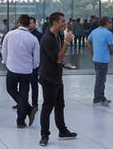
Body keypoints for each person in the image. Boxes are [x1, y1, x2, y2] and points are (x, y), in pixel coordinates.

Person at [38, 12, 77, 146]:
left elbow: (59, 59)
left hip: (56, 76)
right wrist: (66, 42)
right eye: (62, 21)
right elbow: (57, 58)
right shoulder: (47, 38)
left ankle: (63, 131)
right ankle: (44, 135)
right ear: (54, 22)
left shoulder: (56, 36)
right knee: (48, 107)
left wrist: (64, 62)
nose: (64, 23)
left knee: (60, 105)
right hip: (49, 78)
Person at [1, 14, 39, 129]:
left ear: (18, 23)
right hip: (26, 70)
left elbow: (4, 50)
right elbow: (37, 57)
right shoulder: (33, 38)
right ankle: (21, 121)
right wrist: (33, 67)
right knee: (24, 94)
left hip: (12, 68)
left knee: (10, 89)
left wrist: (6, 62)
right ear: (29, 25)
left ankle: (27, 112)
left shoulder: (10, 34)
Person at [86, 16, 113, 105]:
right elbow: (112, 47)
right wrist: (111, 52)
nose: (111, 24)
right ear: (106, 23)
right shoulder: (108, 33)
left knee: (100, 79)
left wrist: (92, 51)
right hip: (103, 59)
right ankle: (97, 99)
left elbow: (87, 42)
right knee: (100, 80)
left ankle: (101, 97)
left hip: (96, 59)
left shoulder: (94, 31)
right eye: (110, 22)